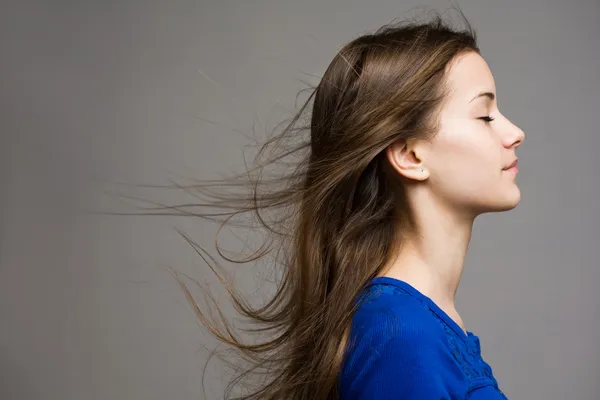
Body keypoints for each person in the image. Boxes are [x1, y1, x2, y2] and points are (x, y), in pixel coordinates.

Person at [125, 5, 524, 400]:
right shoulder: (401, 334)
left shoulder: (415, 323)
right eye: (484, 116)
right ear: (409, 155)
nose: (514, 132)